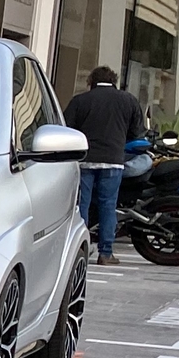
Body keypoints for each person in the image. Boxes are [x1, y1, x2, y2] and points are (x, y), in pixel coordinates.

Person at [63, 65, 143, 264]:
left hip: (84, 160)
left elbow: (66, 129)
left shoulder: (80, 101)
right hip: (113, 161)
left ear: (91, 81)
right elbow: (136, 132)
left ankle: (79, 250)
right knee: (108, 205)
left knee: (82, 204)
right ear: (114, 80)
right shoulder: (129, 101)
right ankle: (106, 252)